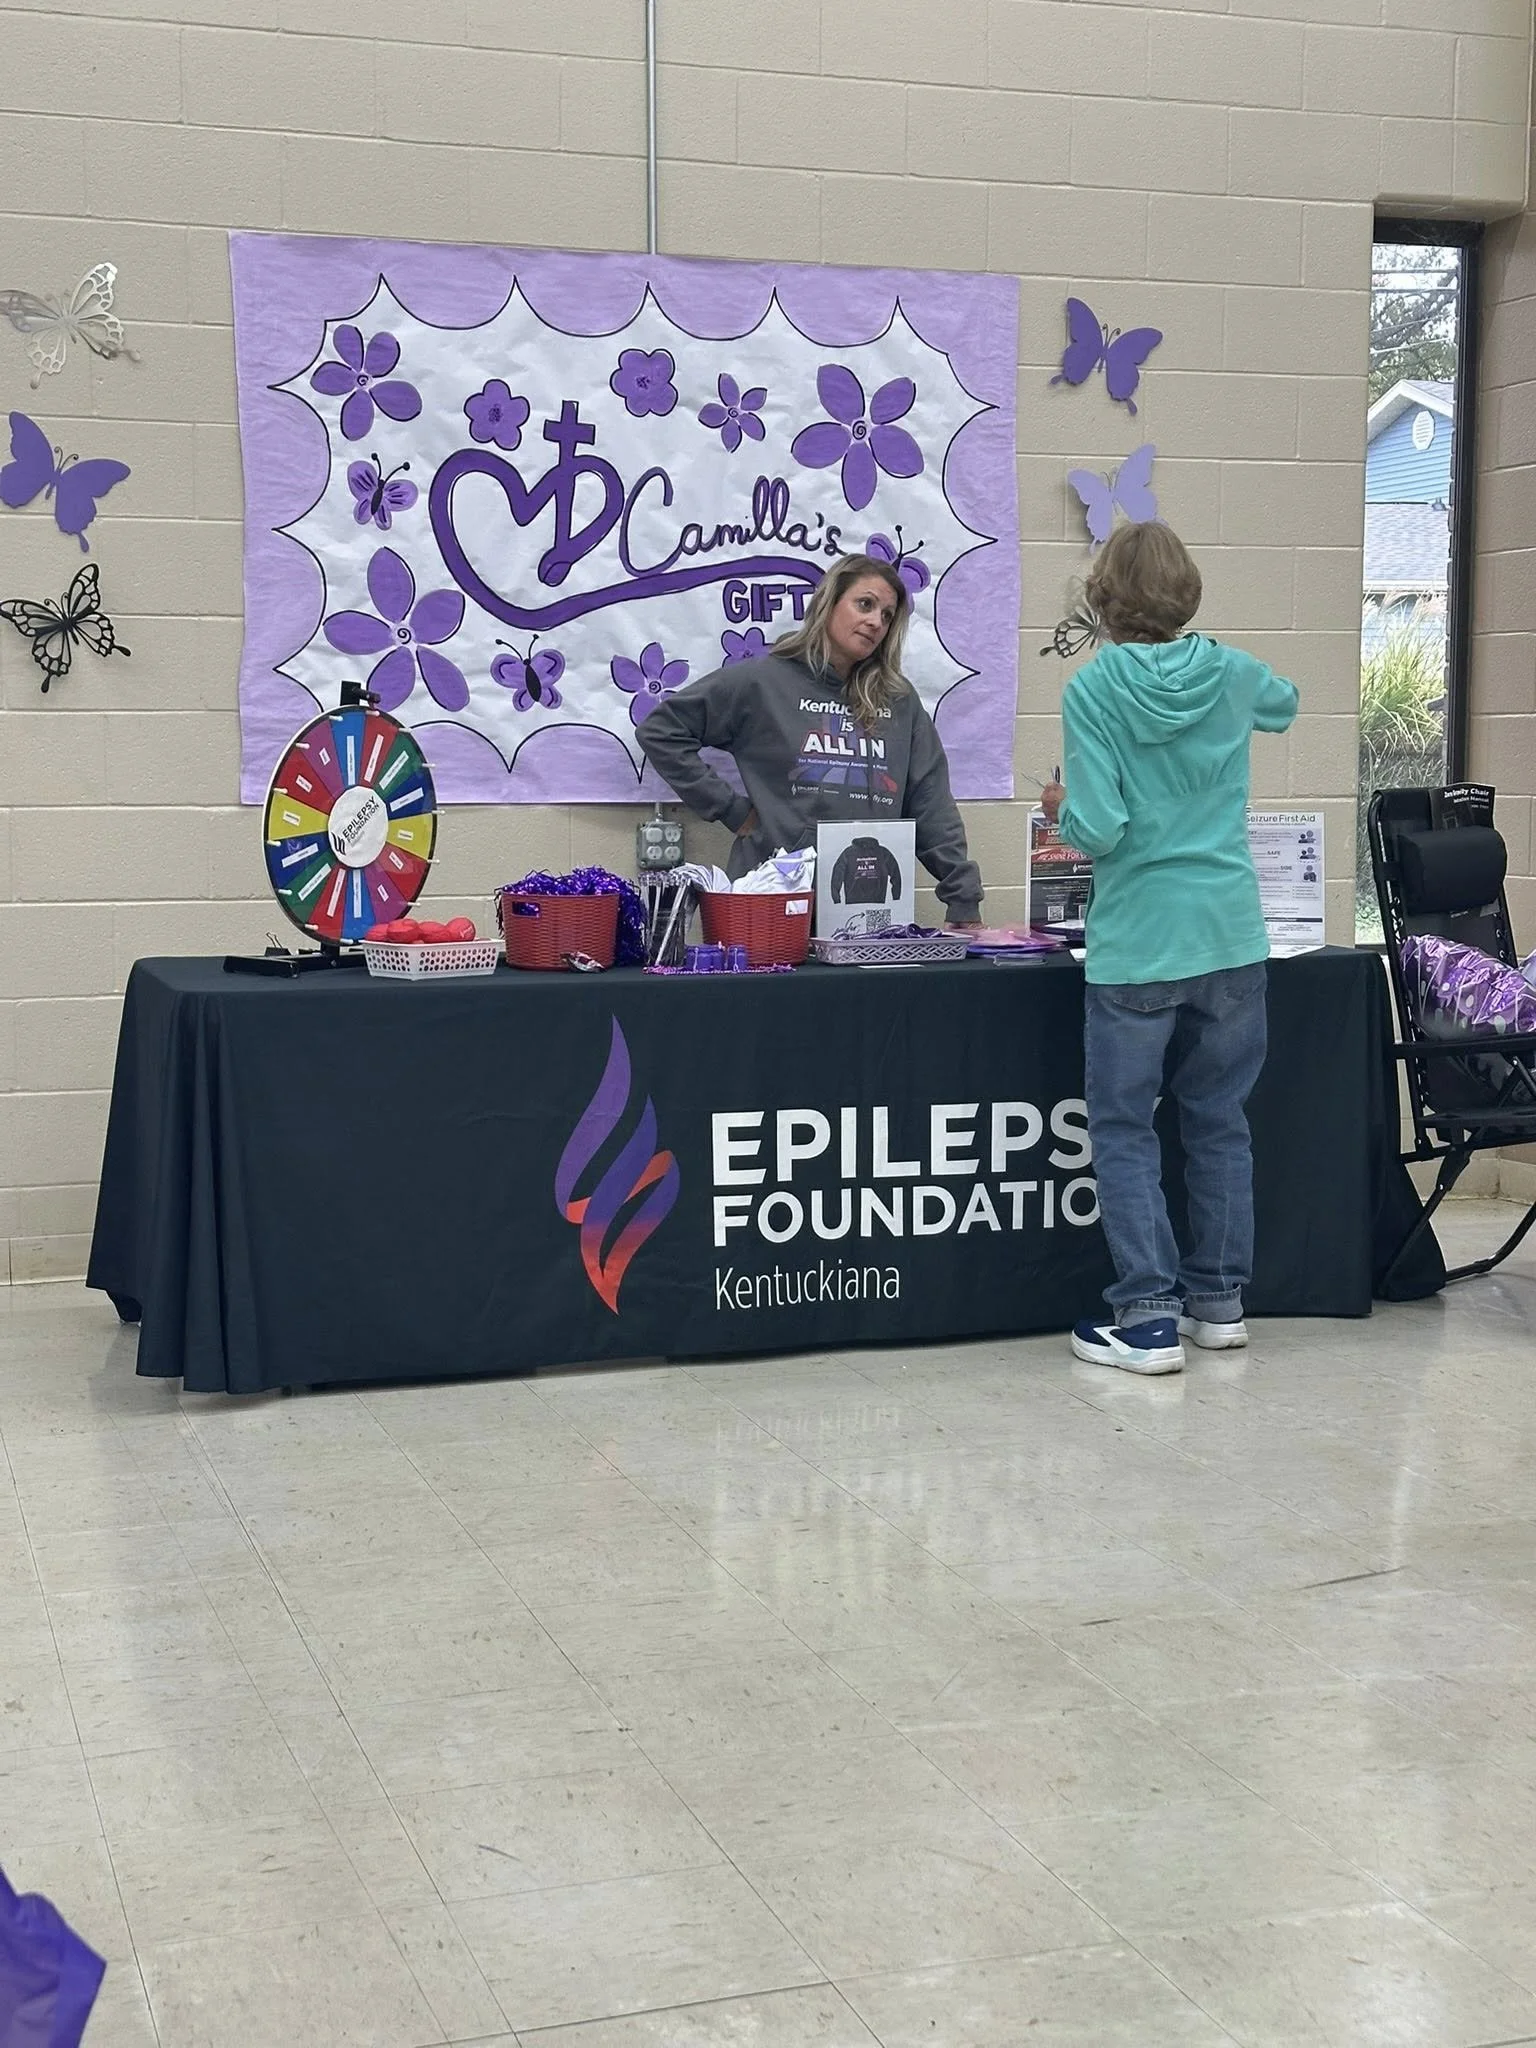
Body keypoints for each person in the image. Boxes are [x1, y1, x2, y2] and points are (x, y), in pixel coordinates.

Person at [1041, 522, 1298, 1375]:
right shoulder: (1229, 672)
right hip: (1230, 933)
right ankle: (1219, 1304)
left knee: (1122, 1128)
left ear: (1102, 600)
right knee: (1220, 1123)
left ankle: (1148, 1315)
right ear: (1186, 592)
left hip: (1139, 943)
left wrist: (1060, 809)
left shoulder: (1093, 691)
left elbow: (1103, 827)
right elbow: (1287, 704)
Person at [636, 554, 983, 924]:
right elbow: (661, 731)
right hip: (772, 899)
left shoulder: (898, 701)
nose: (875, 622)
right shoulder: (763, 681)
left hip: (867, 905)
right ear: (828, 602)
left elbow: (931, 803)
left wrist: (961, 894)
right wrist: (730, 809)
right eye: (865, 604)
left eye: (886, 615)